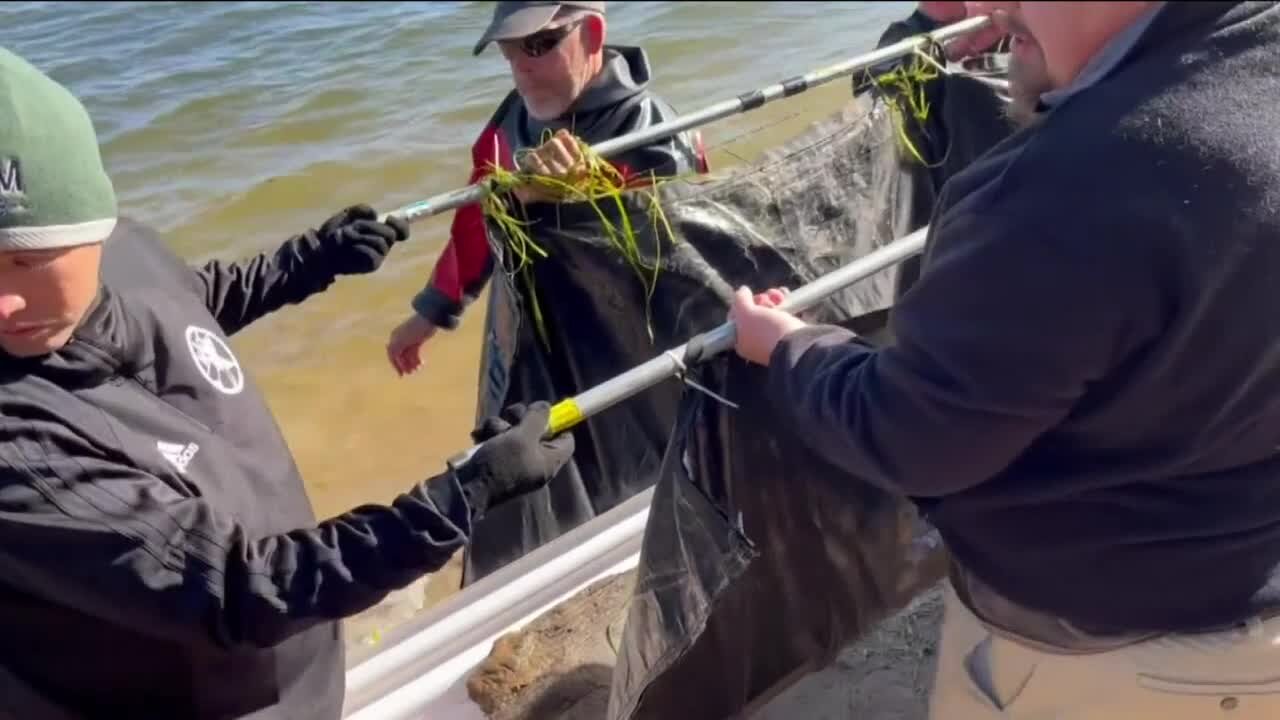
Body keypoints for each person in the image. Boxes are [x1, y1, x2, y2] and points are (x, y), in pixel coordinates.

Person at [730, 1, 1280, 717]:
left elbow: (914, 433)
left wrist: (789, 348)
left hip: (1108, 662)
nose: (992, 7)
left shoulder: (1070, 187)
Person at [0, 46, 574, 720]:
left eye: (24, 259)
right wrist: (459, 497)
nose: (2, 301)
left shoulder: (125, 250)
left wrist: (309, 262)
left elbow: (187, 299)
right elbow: (239, 588)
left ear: (95, 224)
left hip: (299, 665)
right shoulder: (18, 451)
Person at [385, 0, 708, 376]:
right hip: (537, 338)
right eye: (508, 50)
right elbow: (477, 219)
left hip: (631, 348)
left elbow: (682, 270)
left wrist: (575, 203)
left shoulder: (655, 138)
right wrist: (431, 312)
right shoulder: (509, 125)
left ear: (592, 34)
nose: (521, 66)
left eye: (539, 44)